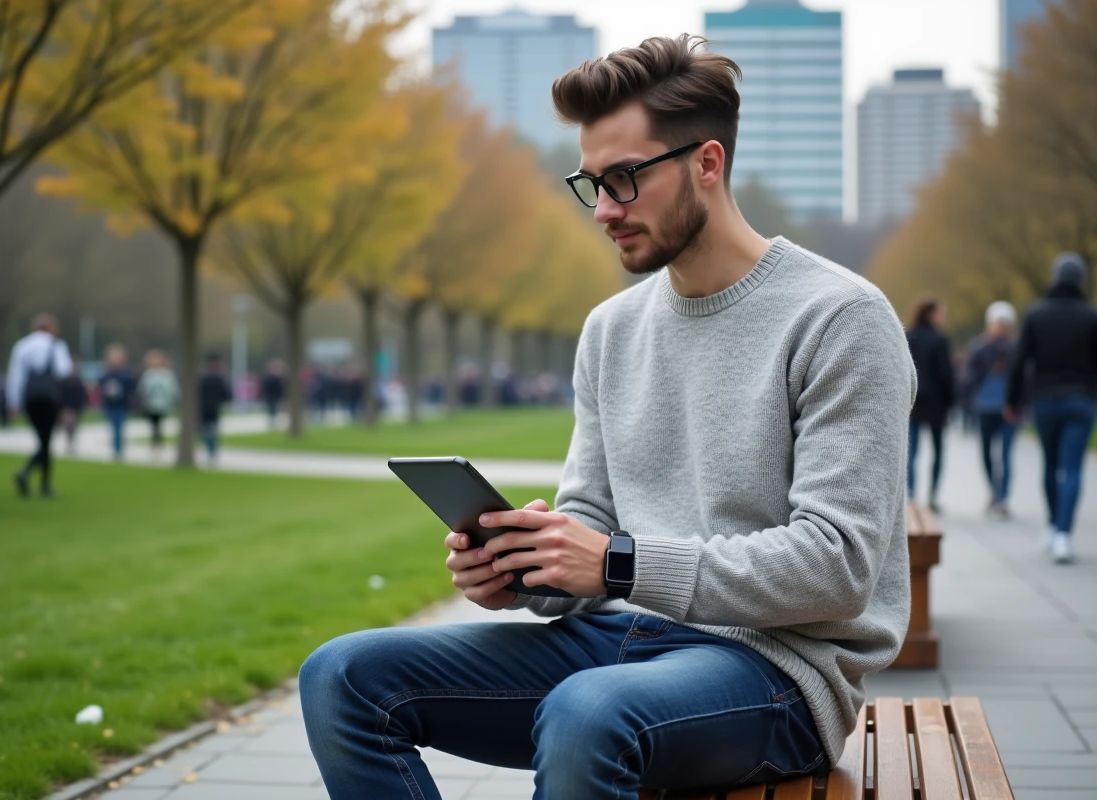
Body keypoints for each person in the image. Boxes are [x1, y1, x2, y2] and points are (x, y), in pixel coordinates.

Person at [298, 35, 916, 798]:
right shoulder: (610, 330)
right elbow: (591, 518)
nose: (604, 210)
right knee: (341, 676)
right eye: (591, 184)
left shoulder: (841, 319)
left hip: (778, 673)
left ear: (708, 163)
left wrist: (619, 563)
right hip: (619, 638)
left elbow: (837, 566)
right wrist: (524, 569)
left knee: (588, 713)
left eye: (624, 179)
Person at [1005, 252, 1097, 565]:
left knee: (1050, 465)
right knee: (1072, 469)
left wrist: (1012, 401)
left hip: (1044, 400)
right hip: (1080, 399)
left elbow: (1018, 361)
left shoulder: (1036, 314)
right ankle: (1063, 534)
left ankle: (1052, 526)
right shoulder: (1091, 316)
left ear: (1055, 277)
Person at [962, 302, 1019, 518]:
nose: (1001, 328)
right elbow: (969, 376)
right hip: (985, 407)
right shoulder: (980, 348)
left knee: (1005, 454)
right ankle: (994, 491)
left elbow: (1025, 376)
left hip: (1008, 408)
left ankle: (1002, 498)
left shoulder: (1015, 348)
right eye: (998, 323)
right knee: (986, 452)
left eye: (1005, 324)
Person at [7, 314, 72, 498]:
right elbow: (64, 371)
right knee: (46, 441)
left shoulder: (22, 346)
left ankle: (37, 479)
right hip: (49, 399)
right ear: (50, 328)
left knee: (43, 440)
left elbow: (15, 377)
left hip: (30, 399)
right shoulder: (56, 345)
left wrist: (13, 402)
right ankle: (37, 480)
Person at [905, 297, 954, 514]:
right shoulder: (940, 340)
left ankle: (911, 496)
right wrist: (951, 401)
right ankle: (933, 496)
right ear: (930, 313)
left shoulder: (909, 336)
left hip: (914, 401)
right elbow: (946, 374)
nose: (943, 317)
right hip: (936, 403)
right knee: (938, 451)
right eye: (940, 313)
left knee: (911, 452)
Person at [97, 344, 135, 461]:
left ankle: (119, 449)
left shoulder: (126, 373)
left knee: (120, 427)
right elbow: (101, 385)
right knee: (113, 427)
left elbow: (131, 387)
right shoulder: (106, 372)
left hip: (122, 404)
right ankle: (116, 448)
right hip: (110, 404)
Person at [137, 349, 179, 455]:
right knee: (154, 425)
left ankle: (158, 443)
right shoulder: (148, 374)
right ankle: (155, 443)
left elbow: (173, 389)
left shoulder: (167, 374)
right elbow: (142, 389)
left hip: (163, 404)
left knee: (158, 424)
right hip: (151, 404)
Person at [199, 352, 232, 463]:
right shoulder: (220, 378)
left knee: (207, 430)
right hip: (213, 408)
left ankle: (210, 450)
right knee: (212, 430)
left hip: (205, 407)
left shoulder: (203, 378)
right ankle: (212, 450)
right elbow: (226, 395)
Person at [59, 366, 89, 455]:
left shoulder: (79, 381)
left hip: (76, 408)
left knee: (74, 426)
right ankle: (69, 442)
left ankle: (72, 442)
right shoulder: (64, 381)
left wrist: (83, 405)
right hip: (67, 408)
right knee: (68, 426)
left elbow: (83, 395)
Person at [260, 358, 286, 430]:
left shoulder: (279, 378)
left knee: (275, 410)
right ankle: (272, 423)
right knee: (272, 410)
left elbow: (281, 388)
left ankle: (274, 423)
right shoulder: (269, 377)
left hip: (276, 396)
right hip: (270, 396)